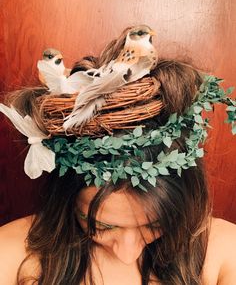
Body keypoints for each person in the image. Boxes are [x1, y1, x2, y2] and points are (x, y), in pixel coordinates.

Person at [0, 26, 236, 285]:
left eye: (154, 225)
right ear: (65, 199)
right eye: (102, 226)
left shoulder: (224, 252)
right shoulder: (11, 255)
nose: (128, 253)